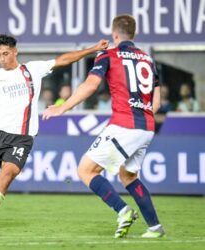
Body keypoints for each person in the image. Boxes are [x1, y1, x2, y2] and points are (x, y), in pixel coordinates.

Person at [0, 34, 109, 230]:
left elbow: (63, 60)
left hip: (22, 139)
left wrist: (93, 49)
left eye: (5, 53)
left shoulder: (32, 70)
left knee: (7, 175)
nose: (2, 58)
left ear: (15, 51)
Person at [43, 15, 165, 238]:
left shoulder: (109, 54)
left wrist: (62, 108)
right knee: (128, 176)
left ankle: (123, 211)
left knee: (85, 170)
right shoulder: (148, 59)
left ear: (114, 34)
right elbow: (155, 103)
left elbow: (90, 85)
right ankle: (155, 227)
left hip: (124, 124)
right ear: (134, 34)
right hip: (146, 127)